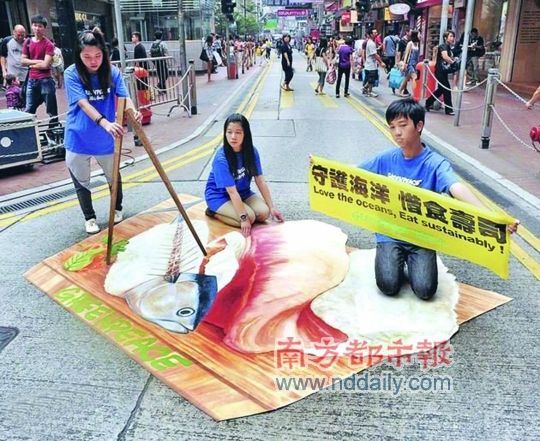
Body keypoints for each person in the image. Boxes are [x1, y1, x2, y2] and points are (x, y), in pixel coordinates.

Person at [359, 98, 519, 300]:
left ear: (419, 126)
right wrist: (319, 167)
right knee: (388, 286)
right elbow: (351, 176)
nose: (397, 132)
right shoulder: (385, 159)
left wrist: (492, 217)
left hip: (422, 236)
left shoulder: (434, 163)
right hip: (391, 234)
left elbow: (456, 187)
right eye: (392, 127)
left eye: (402, 125)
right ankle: (393, 256)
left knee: (425, 290)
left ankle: (416, 259)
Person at [64, 29, 142, 234]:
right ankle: (89, 217)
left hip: (106, 138)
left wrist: (134, 113)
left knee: (113, 176)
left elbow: (124, 98)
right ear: (78, 55)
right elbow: (82, 103)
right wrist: (105, 122)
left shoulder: (112, 72)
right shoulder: (71, 73)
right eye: (87, 56)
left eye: (98, 56)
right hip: (78, 136)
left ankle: (117, 208)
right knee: (81, 180)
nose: (93, 61)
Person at [205, 113, 284, 237]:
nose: (233, 137)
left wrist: (272, 207)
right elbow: (231, 192)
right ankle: (214, 212)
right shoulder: (221, 159)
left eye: (238, 132)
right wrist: (243, 218)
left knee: (264, 213)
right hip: (220, 196)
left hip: (243, 193)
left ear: (245, 134)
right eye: (229, 132)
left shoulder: (251, 151)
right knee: (249, 218)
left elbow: (260, 180)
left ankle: (242, 210)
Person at [21, 15, 58, 129]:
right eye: (35, 25)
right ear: (32, 26)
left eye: (40, 26)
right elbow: (22, 61)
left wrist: (30, 64)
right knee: (28, 109)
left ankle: (52, 132)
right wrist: (37, 62)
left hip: (46, 80)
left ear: (44, 28)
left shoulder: (48, 44)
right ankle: (29, 132)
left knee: (51, 111)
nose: (37, 28)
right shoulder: (27, 42)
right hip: (32, 80)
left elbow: (46, 65)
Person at [425, 30, 458, 115]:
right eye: (450, 36)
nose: (452, 38)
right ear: (445, 38)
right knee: (447, 89)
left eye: (453, 36)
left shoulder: (448, 47)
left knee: (441, 90)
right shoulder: (443, 46)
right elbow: (445, 57)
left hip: (443, 72)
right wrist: (453, 62)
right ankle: (449, 109)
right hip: (440, 71)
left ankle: (428, 103)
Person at [362, 28, 386, 97]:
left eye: (376, 32)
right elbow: (374, 54)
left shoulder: (371, 42)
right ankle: (369, 92)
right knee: (371, 80)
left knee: (371, 79)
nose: (376, 34)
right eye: (374, 33)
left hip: (371, 64)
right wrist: (381, 62)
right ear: (370, 34)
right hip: (370, 65)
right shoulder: (371, 43)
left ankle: (364, 88)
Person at [397, 30, 420, 97]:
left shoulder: (417, 43)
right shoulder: (410, 43)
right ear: (415, 35)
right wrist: (404, 64)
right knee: (414, 77)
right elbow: (406, 54)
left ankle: (399, 91)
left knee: (406, 78)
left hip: (415, 64)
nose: (420, 35)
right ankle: (415, 94)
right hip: (409, 63)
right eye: (419, 34)